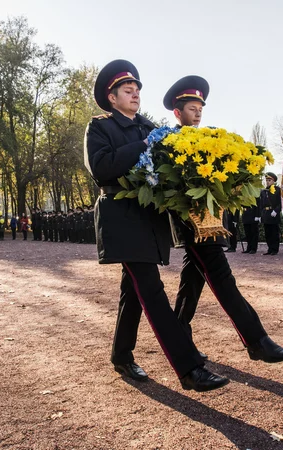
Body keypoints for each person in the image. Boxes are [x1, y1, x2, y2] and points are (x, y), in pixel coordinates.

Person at [85, 60, 227, 392]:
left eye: (137, 90)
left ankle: (121, 355)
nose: (135, 95)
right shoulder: (100, 127)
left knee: (133, 291)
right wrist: (143, 147)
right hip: (122, 216)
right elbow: (102, 168)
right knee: (151, 290)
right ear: (112, 97)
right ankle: (189, 368)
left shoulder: (149, 126)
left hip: (150, 217)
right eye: (127, 91)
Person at [164, 75, 283, 364]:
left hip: (213, 217)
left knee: (193, 278)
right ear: (177, 112)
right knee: (221, 277)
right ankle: (256, 340)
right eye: (191, 108)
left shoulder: (212, 138)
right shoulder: (168, 142)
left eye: (200, 108)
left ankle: (180, 333)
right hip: (191, 221)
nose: (197, 113)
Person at [260, 172, 282, 255]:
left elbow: (280, 202)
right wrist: (261, 214)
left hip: (273, 213)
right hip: (266, 213)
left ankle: (275, 249)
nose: (268, 182)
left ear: (274, 181)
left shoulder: (277, 190)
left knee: (274, 233)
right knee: (267, 233)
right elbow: (261, 204)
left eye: (269, 180)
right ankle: (269, 248)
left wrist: (276, 211)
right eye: (267, 180)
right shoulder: (264, 191)